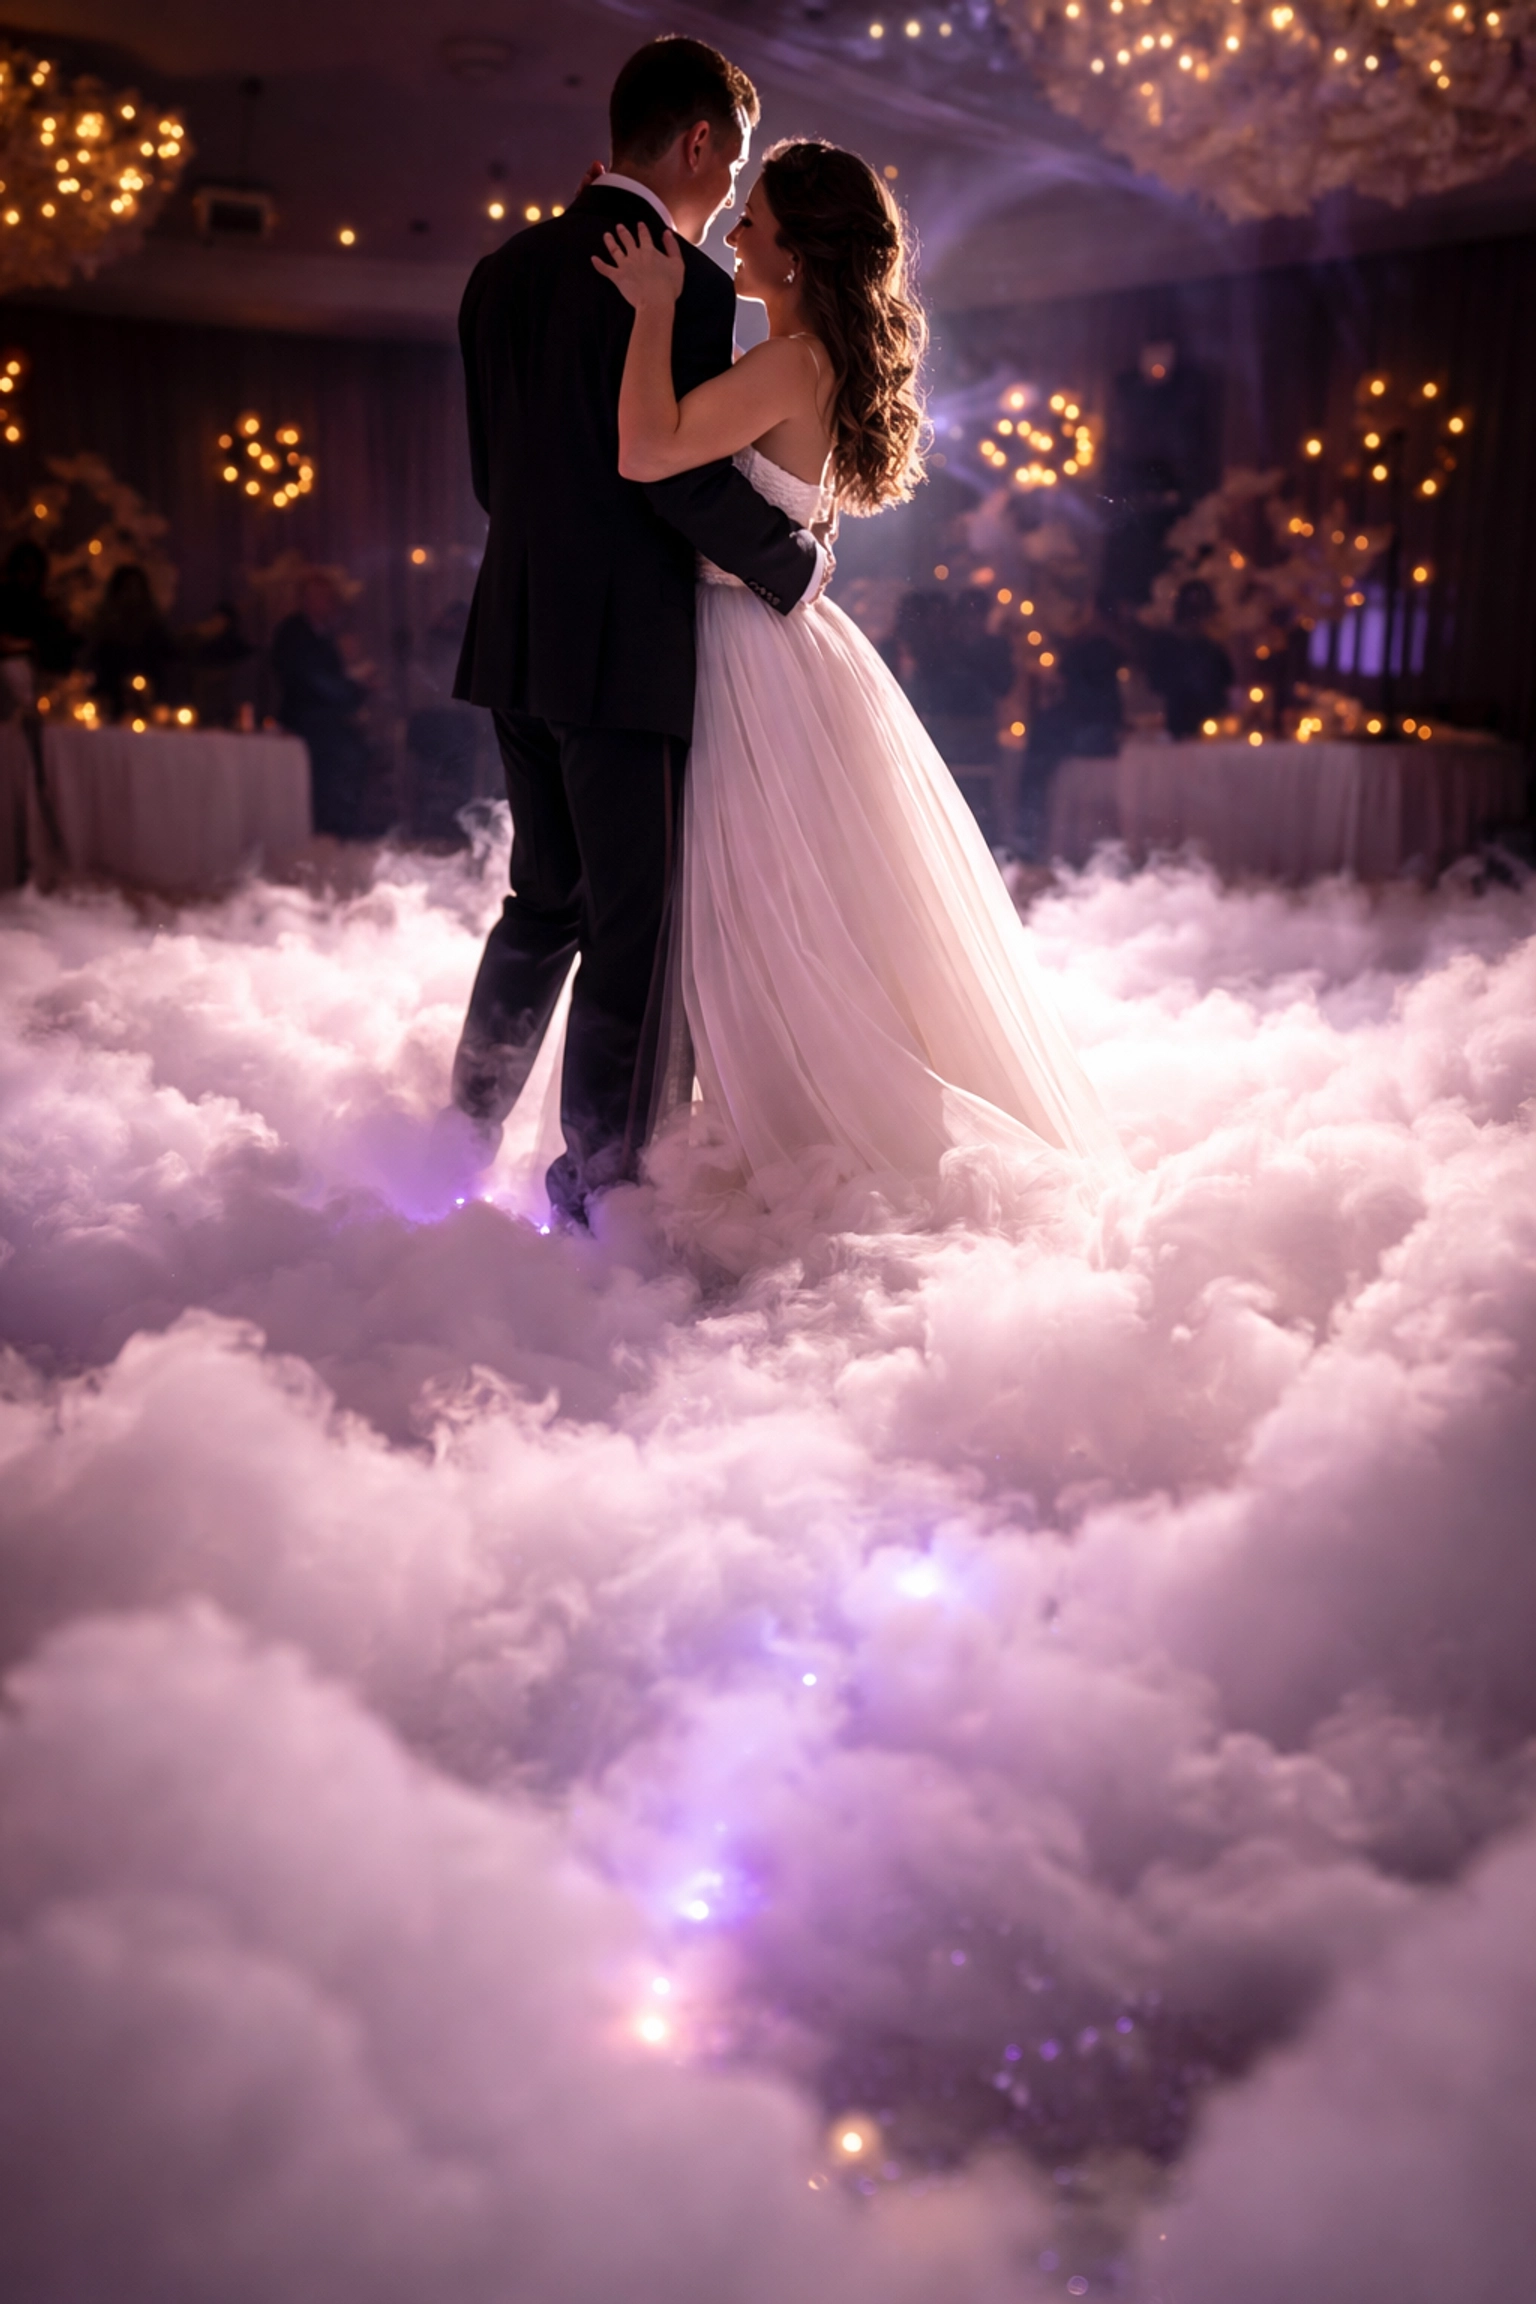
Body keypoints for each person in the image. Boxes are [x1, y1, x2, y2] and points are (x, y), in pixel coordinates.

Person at [592, 138, 1121, 1221]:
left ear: (796, 255)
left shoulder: (790, 363)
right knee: (788, 907)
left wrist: (651, 307)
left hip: (747, 644)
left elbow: (647, 453)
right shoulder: (812, 353)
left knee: (762, 908)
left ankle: (786, 1127)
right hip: (777, 635)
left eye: (757, 223)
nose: (734, 233)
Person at [448, 36, 827, 1228]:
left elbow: (489, 479)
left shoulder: (498, 274)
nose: (730, 199)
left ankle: (458, 1136)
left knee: (541, 902)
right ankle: (603, 1182)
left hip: (515, 634)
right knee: (631, 922)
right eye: (737, 163)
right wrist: (787, 561)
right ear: (702, 142)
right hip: (627, 651)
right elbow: (669, 473)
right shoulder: (689, 285)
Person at [272, 572, 381, 839]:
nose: (327, 604)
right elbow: (311, 680)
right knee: (341, 758)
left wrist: (357, 688)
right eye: (320, 598)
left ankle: (340, 828)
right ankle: (330, 829)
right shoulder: (295, 632)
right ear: (305, 600)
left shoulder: (323, 633)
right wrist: (355, 689)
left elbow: (329, 679)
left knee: (355, 754)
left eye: (329, 598)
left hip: (326, 717)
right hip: (306, 718)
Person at [1144, 578, 1234, 739]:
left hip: (1211, 727)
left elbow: (1227, 683)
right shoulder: (1164, 643)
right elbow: (1155, 685)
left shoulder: (1211, 646)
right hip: (1173, 727)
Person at [85, 563, 174, 717]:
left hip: (149, 707)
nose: (132, 595)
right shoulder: (105, 631)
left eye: (136, 588)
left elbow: (164, 668)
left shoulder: (154, 630)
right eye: (127, 588)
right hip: (108, 706)